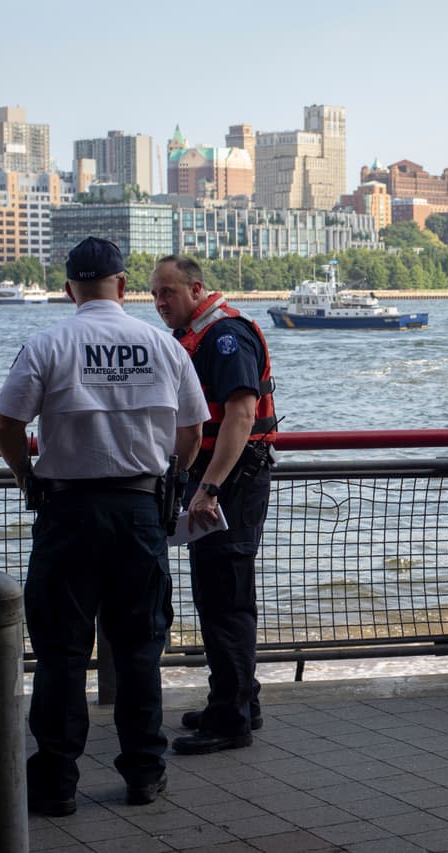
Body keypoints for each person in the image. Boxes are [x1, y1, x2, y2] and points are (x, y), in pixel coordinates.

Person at [0, 238, 209, 815]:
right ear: (122, 285)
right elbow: (192, 432)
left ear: (70, 290)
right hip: (140, 513)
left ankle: (57, 782)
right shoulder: (162, 347)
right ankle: (144, 772)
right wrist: (175, 476)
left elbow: (6, 422)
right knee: (139, 649)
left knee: (61, 651)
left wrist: (26, 475)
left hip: (67, 515)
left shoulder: (47, 344)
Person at [150, 254, 278, 755]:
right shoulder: (201, 335)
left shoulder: (225, 337)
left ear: (197, 290)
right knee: (219, 592)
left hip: (231, 483)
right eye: (155, 293)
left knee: (224, 599)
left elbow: (241, 417)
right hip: (222, 481)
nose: (160, 303)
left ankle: (231, 720)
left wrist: (210, 488)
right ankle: (240, 699)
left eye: (169, 293)